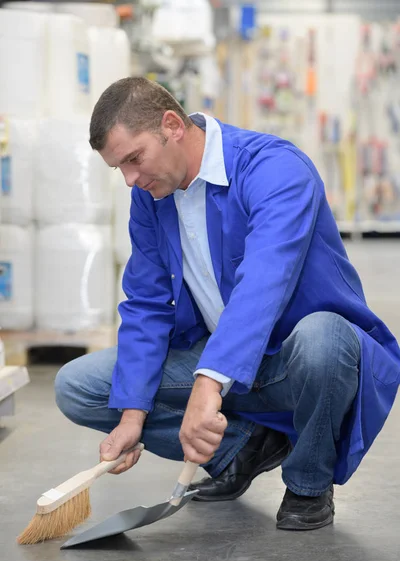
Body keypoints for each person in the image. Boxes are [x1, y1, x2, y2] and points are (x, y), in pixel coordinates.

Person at [55, 77, 400, 531]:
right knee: (77, 385)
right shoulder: (150, 198)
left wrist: (207, 385)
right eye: (120, 168)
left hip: (293, 359)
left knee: (325, 339)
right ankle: (243, 447)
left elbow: (264, 281)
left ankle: (308, 484)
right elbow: (147, 304)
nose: (131, 179)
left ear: (172, 125)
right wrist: (132, 414)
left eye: (134, 159)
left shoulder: (274, 168)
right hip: (223, 360)